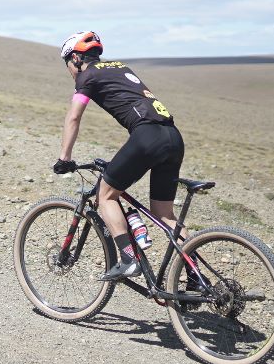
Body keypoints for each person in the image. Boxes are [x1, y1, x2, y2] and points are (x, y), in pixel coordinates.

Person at [52, 31, 185, 281]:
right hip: (173, 137)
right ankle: (197, 277)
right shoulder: (120, 67)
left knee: (105, 195)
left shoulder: (87, 76)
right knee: (164, 214)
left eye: (67, 63)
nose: (69, 69)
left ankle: (128, 260)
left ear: (76, 59)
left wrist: (65, 158)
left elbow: (74, 116)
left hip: (147, 136)